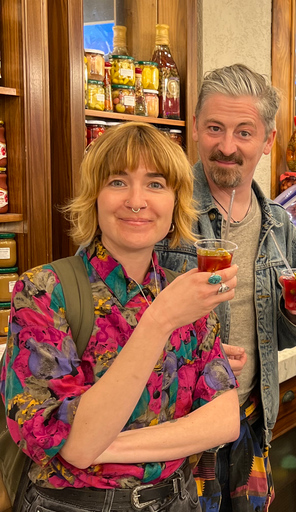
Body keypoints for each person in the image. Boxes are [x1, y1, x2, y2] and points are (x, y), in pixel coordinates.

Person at [0, 122, 240, 512]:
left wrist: (103, 445)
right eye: (117, 182)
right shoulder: (45, 291)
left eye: (156, 184)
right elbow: (72, 443)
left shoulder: (186, 292)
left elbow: (223, 420)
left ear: (176, 202)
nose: (136, 200)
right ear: (93, 196)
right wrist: (159, 320)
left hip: (176, 501)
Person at [155, 64, 296, 511]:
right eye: (215, 128)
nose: (227, 147)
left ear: (268, 141)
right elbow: (115, 317)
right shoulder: (161, 209)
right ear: (194, 129)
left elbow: (287, 338)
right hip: (175, 429)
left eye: (244, 133)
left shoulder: (281, 227)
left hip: (251, 421)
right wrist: (194, 347)